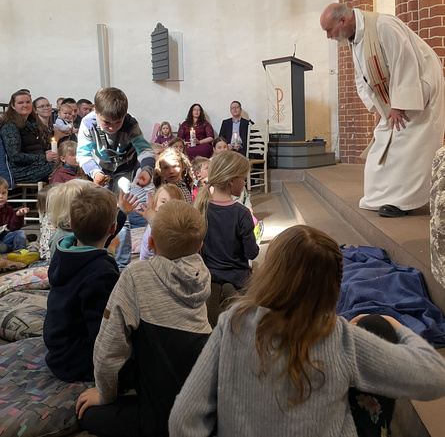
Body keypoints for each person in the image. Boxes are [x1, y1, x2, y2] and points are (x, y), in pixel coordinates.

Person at [169, 225, 445, 437]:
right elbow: (436, 377)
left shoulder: (233, 323)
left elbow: (183, 420)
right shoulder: (340, 337)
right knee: (377, 327)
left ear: (270, 271)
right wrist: (397, 327)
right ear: (333, 288)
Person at [75, 200, 212, 437]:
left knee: (85, 414)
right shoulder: (203, 274)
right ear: (199, 246)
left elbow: (109, 346)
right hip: (202, 410)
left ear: (149, 243)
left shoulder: (136, 275)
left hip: (162, 420)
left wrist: (104, 393)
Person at [320, 3, 445, 218]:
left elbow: (404, 62)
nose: (329, 36)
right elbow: (363, 78)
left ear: (343, 21)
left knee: (408, 143)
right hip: (392, 98)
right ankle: (382, 196)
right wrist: (378, 107)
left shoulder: (383, 26)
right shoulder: (356, 39)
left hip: (418, 90)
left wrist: (398, 104)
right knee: (381, 144)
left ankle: (402, 202)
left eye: (329, 30)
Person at [43, 184, 120, 382]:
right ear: (113, 228)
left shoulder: (64, 252)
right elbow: (103, 332)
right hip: (75, 361)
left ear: (71, 222)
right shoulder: (101, 274)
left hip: (58, 350)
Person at [77, 87, 155, 270]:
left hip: (125, 170)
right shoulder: (88, 124)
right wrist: (95, 173)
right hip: (100, 170)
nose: (112, 128)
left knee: (121, 212)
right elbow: (83, 155)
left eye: (117, 122)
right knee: (104, 212)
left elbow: (145, 150)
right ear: (95, 112)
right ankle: (102, 255)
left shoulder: (130, 124)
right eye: (106, 122)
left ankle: (121, 265)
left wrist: (147, 170)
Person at [194, 151, 259, 291]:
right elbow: (251, 253)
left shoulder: (202, 207)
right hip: (238, 278)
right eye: (243, 179)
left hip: (209, 276)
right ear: (231, 181)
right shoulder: (242, 213)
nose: (245, 183)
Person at [0, 90, 57, 183]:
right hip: (20, 170)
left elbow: (34, 148)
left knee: (67, 162)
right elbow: (15, 157)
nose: (25, 105)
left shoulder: (33, 123)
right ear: (13, 106)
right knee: (60, 167)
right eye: (20, 103)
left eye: (28, 102)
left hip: (36, 164)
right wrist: (44, 158)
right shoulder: (10, 126)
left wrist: (47, 153)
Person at [137, 183, 185, 260]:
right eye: (163, 202)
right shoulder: (152, 228)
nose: (167, 205)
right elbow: (145, 255)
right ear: (155, 205)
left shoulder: (181, 226)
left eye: (173, 202)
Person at [0, 176, 28, 254]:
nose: (1, 196)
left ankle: (20, 251)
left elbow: (13, 228)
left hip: (3, 236)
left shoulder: (8, 209)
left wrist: (18, 215)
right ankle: (11, 246)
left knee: (20, 233)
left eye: (3, 193)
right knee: (2, 248)